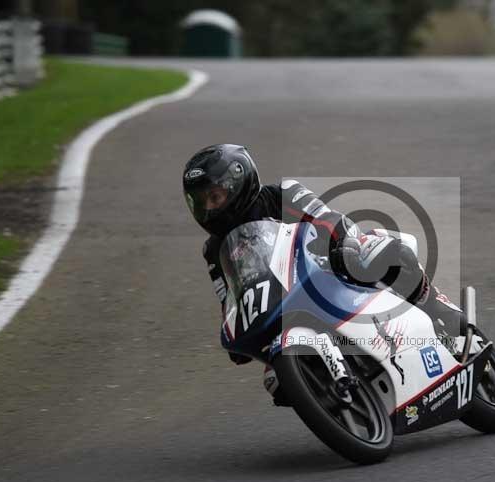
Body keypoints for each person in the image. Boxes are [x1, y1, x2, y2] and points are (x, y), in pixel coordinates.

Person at [182, 144, 465, 401]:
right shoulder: (214, 251)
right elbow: (229, 298)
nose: (208, 208)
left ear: (237, 183)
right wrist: (236, 335)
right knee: (275, 380)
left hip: (330, 265)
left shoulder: (281, 194)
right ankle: (347, 404)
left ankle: (436, 309)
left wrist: (340, 243)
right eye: (201, 202)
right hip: (282, 303)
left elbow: (327, 218)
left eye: (214, 197)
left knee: (378, 253)